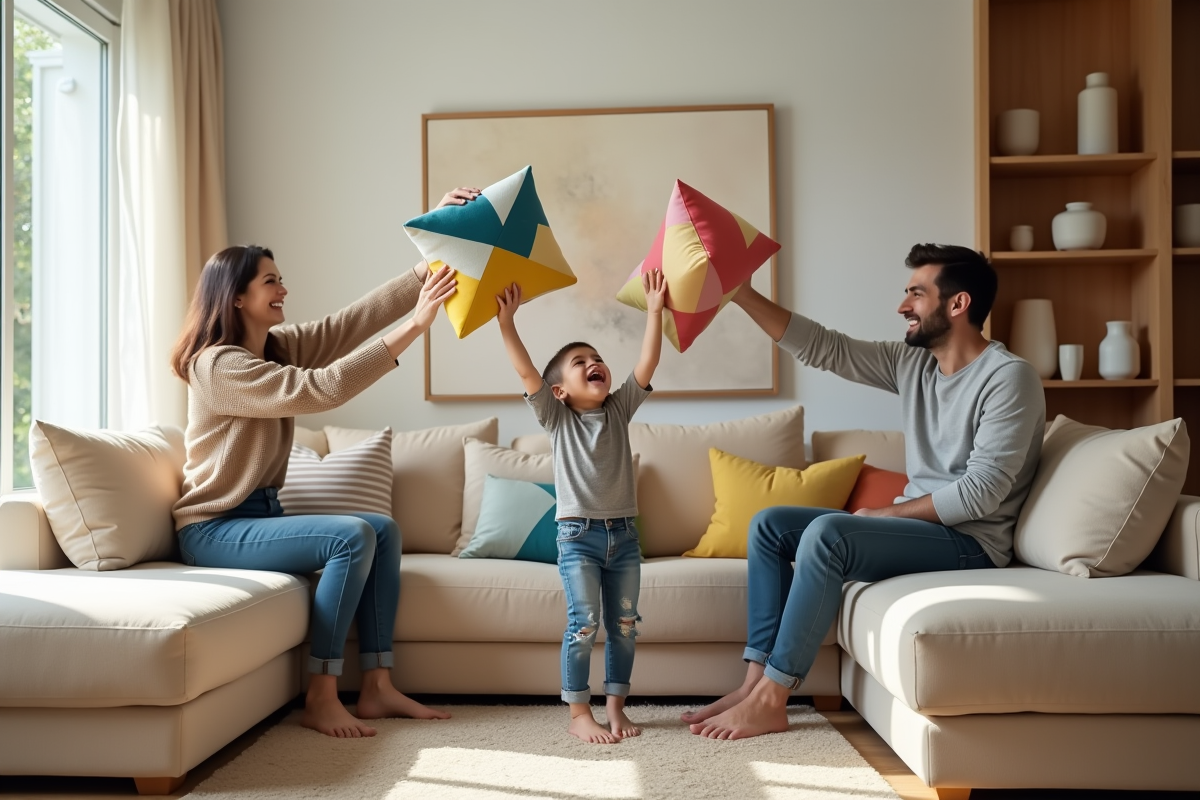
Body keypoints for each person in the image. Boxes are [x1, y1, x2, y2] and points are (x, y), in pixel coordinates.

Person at [683, 243, 1045, 740]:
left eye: (916, 294)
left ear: (958, 305)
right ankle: (753, 683)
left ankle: (774, 697)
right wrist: (742, 294)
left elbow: (979, 495)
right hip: (926, 530)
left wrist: (885, 517)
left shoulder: (1008, 379)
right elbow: (825, 349)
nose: (902, 306)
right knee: (769, 525)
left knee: (830, 534)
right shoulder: (914, 365)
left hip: (971, 543)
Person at [168, 187, 479, 739]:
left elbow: (349, 323)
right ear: (235, 298)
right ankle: (321, 694)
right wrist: (416, 325)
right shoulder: (218, 365)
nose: (284, 288)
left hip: (258, 517)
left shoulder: (273, 349)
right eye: (271, 281)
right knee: (351, 535)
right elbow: (323, 389)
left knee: (381, 529)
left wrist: (440, 245)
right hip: (214, 527)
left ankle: (378, 687)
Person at [494, 271, 667, 744]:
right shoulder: (556, 419)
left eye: (597, 358)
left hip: (624, 538)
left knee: (625, 627)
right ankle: (578, 714)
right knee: (584, 624)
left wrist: (654, 311)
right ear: (560, 391)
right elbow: (527, 371)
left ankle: (616, 709)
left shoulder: (618, 408)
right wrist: (507, 323)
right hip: (578, 537)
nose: (595, 363)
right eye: (580, 362)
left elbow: (647, 362)